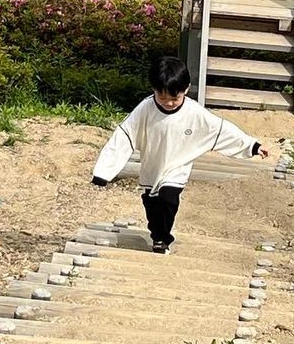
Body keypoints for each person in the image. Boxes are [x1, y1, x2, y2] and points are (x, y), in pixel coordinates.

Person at [90, 55, 269, 254]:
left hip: (178, 166)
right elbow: (123, 136)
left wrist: (252, 146)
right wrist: (104, 171)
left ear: (186, 89)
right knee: (152, 204)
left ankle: (162, 240)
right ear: (153, 90)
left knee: (168, 199)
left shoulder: (194, 112)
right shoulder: (145, 109)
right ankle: (156, 232)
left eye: (175, 98)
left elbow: (220, 130)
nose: (169, 103)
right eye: (162, 97)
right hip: (153, 165)